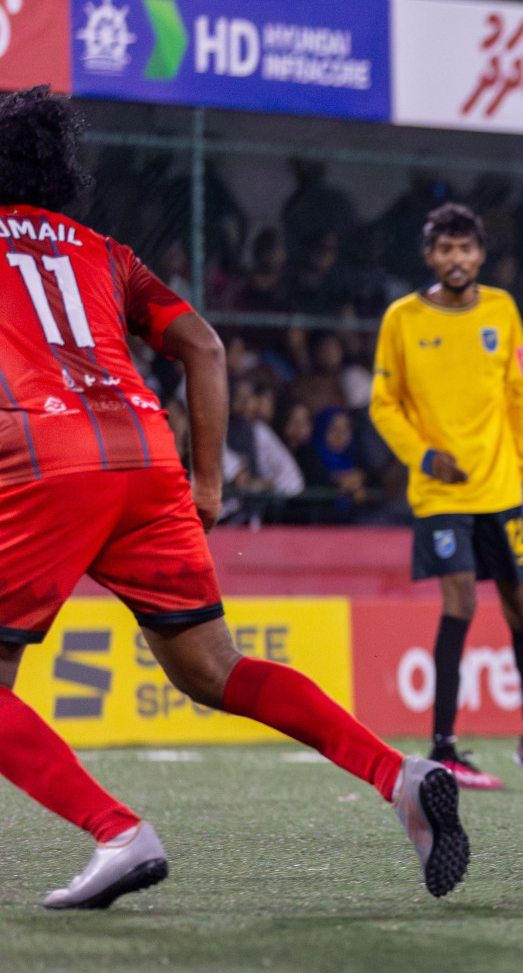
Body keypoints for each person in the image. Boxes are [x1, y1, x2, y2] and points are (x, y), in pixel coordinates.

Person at [0, 86, 467, 908]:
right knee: (213, 668)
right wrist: (207, 480)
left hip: (46, 459)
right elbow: (204, 347)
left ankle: (118, 832)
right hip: (147, 453)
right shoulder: (103, 251)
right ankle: (399, 776)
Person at [370, 202, 523, 790]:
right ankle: (445, 748)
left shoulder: (501, 310)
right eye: (445, 249)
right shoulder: (402, 318)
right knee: (459, 603)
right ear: (430, 256)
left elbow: (521, 397)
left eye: (466, 248)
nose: (457, 259)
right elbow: (383, 404)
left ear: (480, 254)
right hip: (439, 492)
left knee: (521, 609)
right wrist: (424, 455)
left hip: (502, 487)